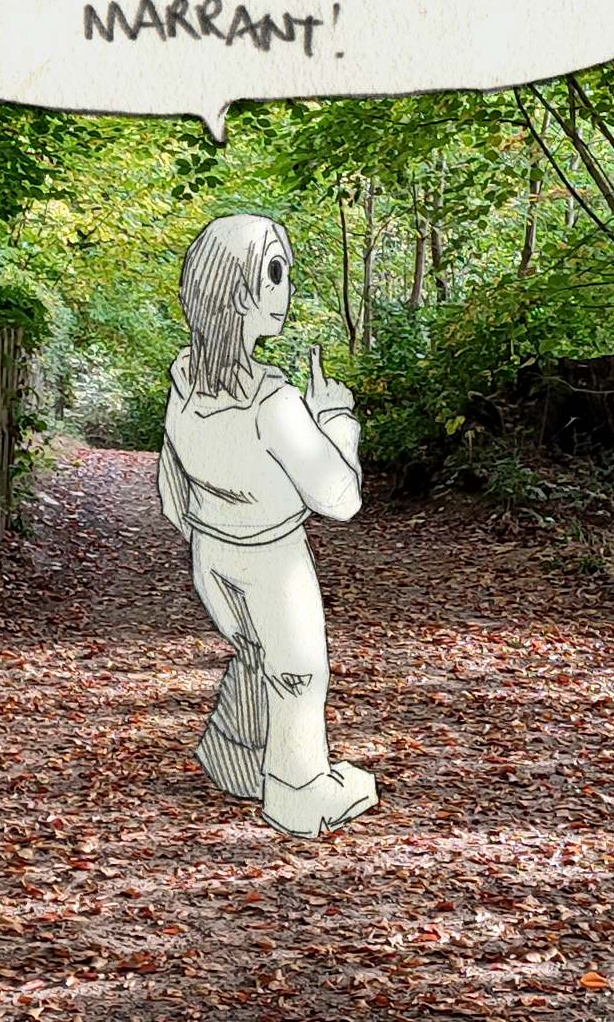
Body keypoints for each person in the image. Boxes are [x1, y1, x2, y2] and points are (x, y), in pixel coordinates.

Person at [156, 213, 378, 838]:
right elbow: (339, 497)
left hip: (211, 552)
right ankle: (299, 791)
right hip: (273, 559)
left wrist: (208, 532)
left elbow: (172, 487)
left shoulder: (184, 382)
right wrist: (335, 418)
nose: (286, 289)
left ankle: (238, 759)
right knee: (298, 672)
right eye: (274, 272)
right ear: (236, 292)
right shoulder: (273, 402)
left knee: (253, 654)